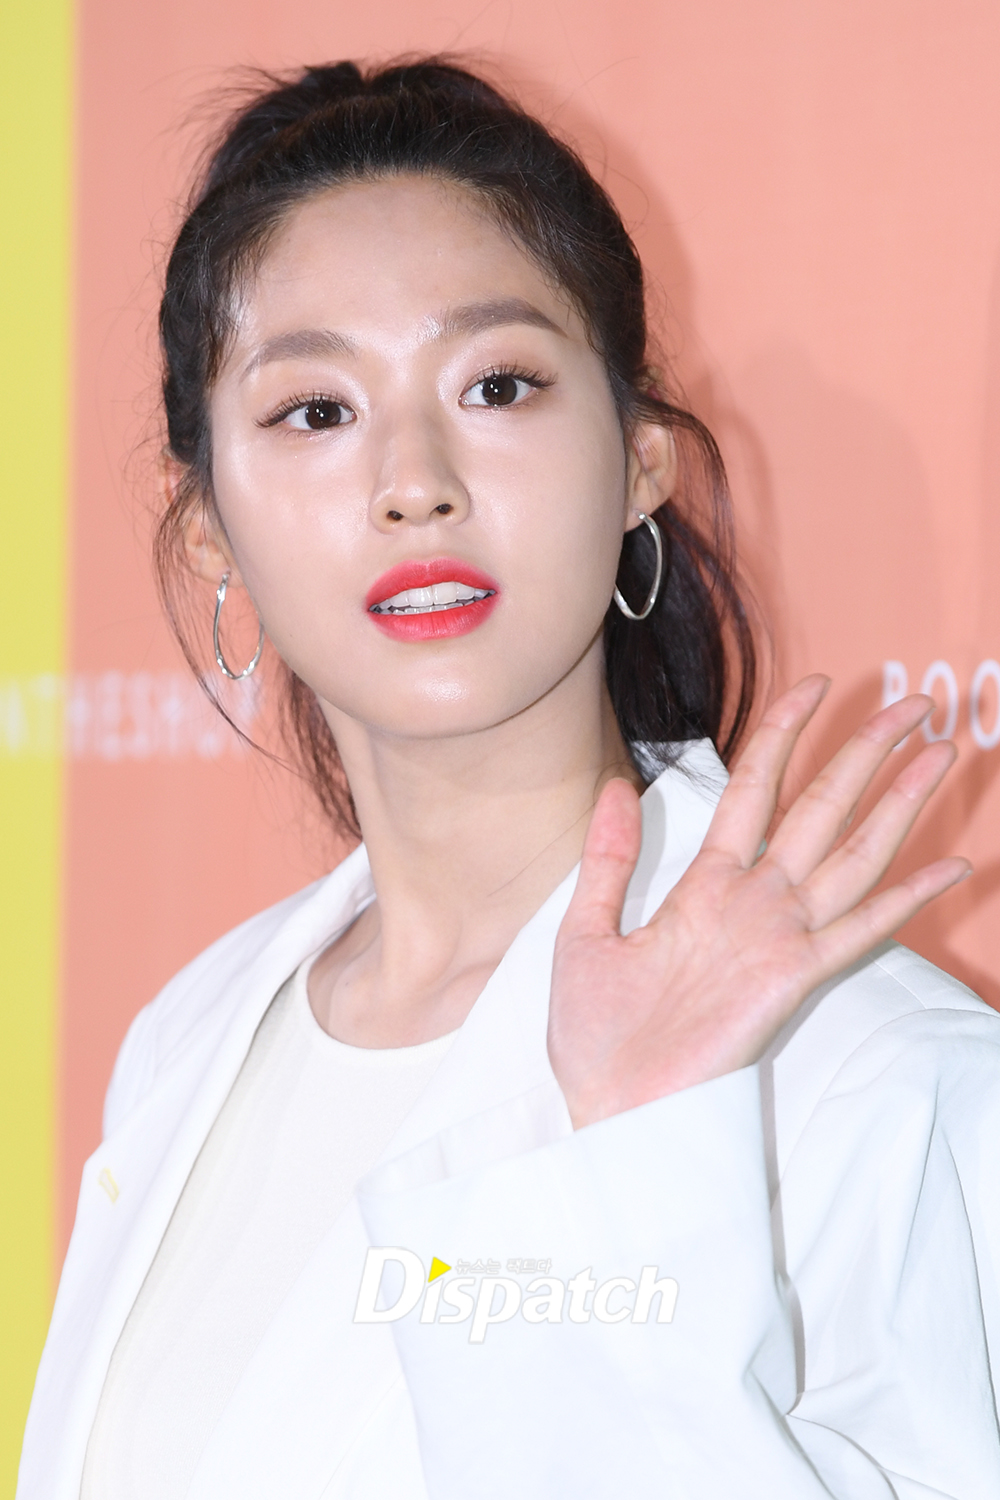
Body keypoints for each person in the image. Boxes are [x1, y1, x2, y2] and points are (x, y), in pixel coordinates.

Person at [18, 58, 1000, 1500]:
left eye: (498, 385)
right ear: (207, 529)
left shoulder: (868, 1068)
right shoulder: (188, 1043)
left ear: (641, 464)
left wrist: (630, 1162)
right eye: (314, 411)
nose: (414, 480)